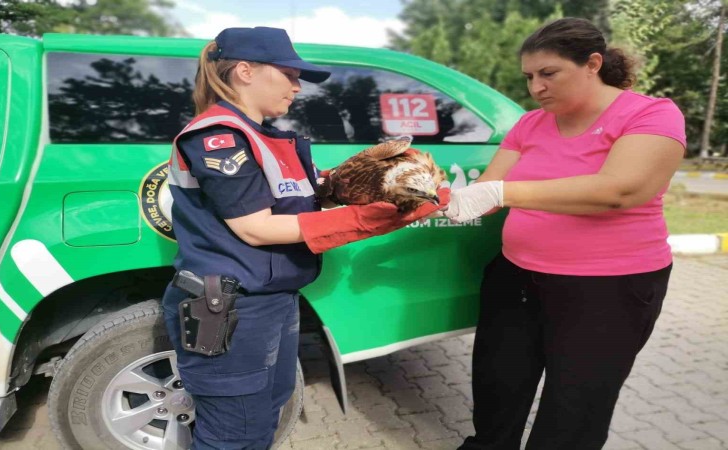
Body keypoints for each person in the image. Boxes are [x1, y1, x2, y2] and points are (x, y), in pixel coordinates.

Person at [160, 26, 446, 450]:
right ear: (245, 71)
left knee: (266, 412)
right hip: (232, 308)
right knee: (233, 434)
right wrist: (366, 219)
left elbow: (309, 193)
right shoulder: (218, 137)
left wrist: (377, 181)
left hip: (275, 300)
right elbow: (254, 227)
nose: (297, 87)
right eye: (290, 74)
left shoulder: (267, 137)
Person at [445, 17, 686, 450]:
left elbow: (619, 190)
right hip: (516, 277)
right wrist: (434, 197)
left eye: (548, 73)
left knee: (574, 408)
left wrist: (502, 192)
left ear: (593, 63)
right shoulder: (531, 124)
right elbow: (490, 191)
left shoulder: (650, 114)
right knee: (498, 387)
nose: (536, 87)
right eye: (529, 77)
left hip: (607, 290)